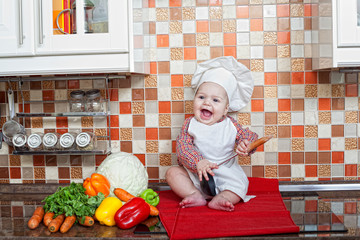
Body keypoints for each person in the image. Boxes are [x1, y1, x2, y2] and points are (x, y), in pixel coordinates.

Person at [166, 56, 259, 212]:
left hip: (225, 176)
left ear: (225, 108)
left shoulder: (231, 125)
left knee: (241, 185)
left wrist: (246, 145)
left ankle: (223, 198)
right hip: (196, 176)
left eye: (215, 100)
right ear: (194, 100)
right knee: (172, 173)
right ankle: (194, 194)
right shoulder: (190, 124)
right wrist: (198, 162)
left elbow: (248, 135)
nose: (207, 103)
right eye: (201, 97)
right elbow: (183, 147)